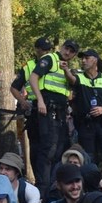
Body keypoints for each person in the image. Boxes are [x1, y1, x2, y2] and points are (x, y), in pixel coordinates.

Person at [30, 40, 80, 193]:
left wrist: (66, 71)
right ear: (62, 47)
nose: (67, 52)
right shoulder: (50, 59)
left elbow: (74, 83)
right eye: (66, 48)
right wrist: (40, 100)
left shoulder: (66, 67)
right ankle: (43, 188)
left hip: (60, 111)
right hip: (47, 107)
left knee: (59, 149)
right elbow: (33, 77)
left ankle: (53, 185)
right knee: (48, 149)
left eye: (72, 51)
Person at [11, 37, 52, 173]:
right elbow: (14, 88)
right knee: (36, 148)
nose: (46, 52)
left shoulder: (55, 63)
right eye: (43, 50)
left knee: (52, 148)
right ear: (37, 50)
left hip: (52, 110)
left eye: (48, 50)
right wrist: (23, 102)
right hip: (35, 111)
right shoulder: (28, 66)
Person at [73, 48, 102, 166]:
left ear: (95, 60)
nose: (83, 61)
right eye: (82, 58)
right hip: (86, 125)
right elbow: (70, 80)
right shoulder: (79, 78)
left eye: (87, 58)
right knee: (88, 159)